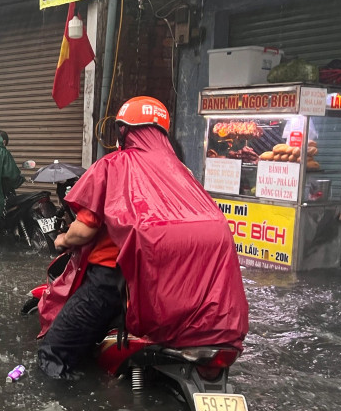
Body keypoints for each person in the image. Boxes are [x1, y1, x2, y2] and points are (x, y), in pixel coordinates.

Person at [37, 96, 248, 379]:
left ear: (123, 131)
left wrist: (62, 240)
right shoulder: (182, 171)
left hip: (115, 282)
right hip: (185, 286)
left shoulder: (113, 165)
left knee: (54, 352)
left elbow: (85, 229)